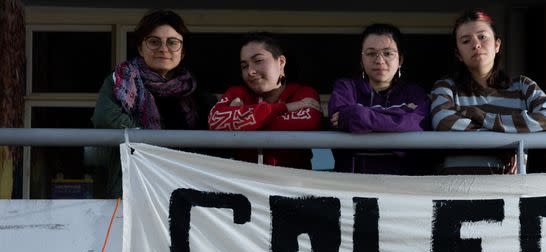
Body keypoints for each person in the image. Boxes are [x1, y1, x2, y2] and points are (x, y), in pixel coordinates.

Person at [92, 9, 215, 197]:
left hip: (187, 189)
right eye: (154, 41)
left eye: (173, 42)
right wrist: (153, 143)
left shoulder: (196, 90)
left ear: (182, 52)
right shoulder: (121, 81)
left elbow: (215, 130)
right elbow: (105, 118)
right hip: (136, 188)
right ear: (141, 48)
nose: (163, 49)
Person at [430, 9, 546, 174]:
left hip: (509, 191)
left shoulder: (522, 86)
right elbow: (443, 122)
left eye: (482, 37)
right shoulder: (446, 87)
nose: (476, 44)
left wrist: (478, 115)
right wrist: (507, 143)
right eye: (466, 41)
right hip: (456, 188)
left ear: (497, 45)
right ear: (458, 54)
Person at [208, 32, 322, 169]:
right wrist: (283, 109)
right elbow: (215, 121)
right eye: (244, 66)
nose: (250, 71)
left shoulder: (304, 93)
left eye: (258, 61)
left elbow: (308, 124)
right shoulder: (236, 93)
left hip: (293, 186)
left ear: (281, 62)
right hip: (243, 185)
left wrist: (240, 120)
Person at [327, 23, 429, 174]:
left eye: (388, 53)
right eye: (370, 53)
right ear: (361, 61)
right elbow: (338, 121)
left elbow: (416, 123)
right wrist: (401, 114)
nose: (379, 60)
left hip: (403, 185)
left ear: (400, 60)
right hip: (351, 183)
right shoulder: (346, 87)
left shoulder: (414, 92)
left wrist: (359, 114)